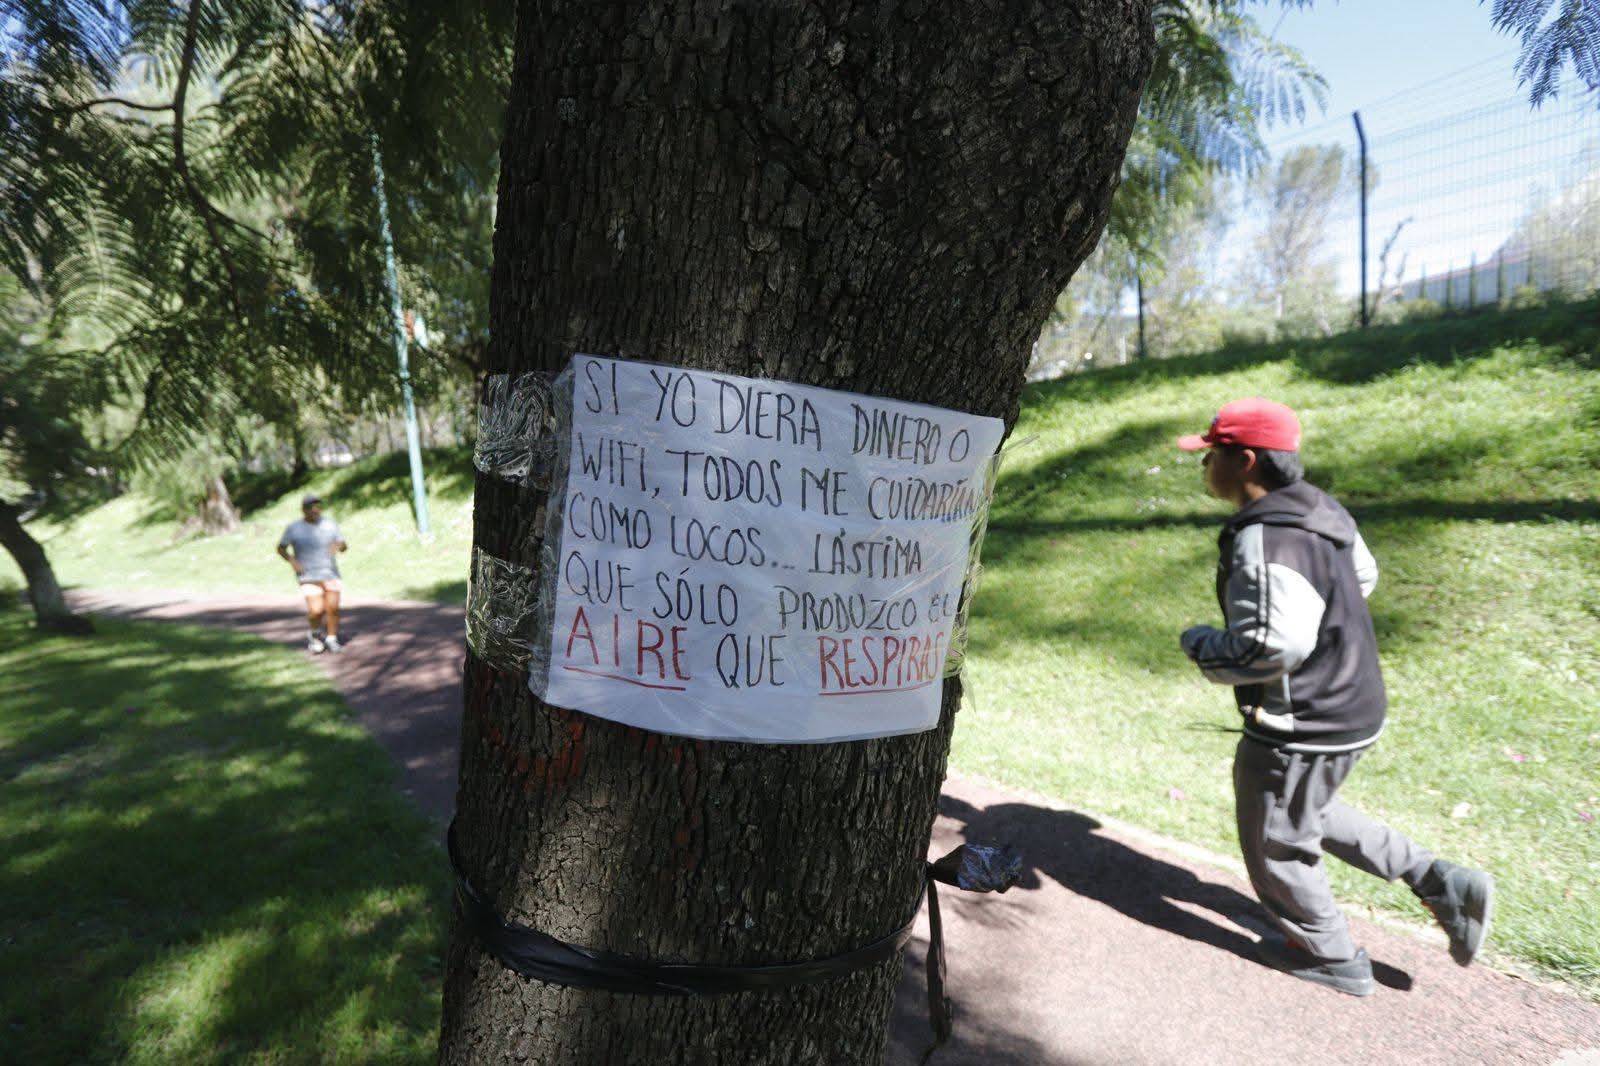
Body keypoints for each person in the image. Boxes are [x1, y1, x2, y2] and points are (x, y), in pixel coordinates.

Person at [1176, 397, 1494, 997]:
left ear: (1244, 460)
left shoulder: (1264, 537)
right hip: (1354, 702)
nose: (1204, 466)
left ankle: (1329, 954)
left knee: (1276, 837)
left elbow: (1270, 647)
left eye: (1210, 455)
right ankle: (1439, 881)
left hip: (1303, 719)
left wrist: (1200, 644)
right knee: (1304, 811)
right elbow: (1362, 576)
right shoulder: (1321, 508)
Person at [278, 493, 348, 654]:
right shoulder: (294, 528)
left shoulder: (330, 524)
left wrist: (339, 546)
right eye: (311, 507)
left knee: (333, 608)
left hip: (330, 572)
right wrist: (293, 561)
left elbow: (343, 544)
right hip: (308, 575)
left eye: (317, 506)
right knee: (317, 610)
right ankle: (315, 633)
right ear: (303, 510)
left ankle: (332, 638)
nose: (315, 510)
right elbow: (281, 548)